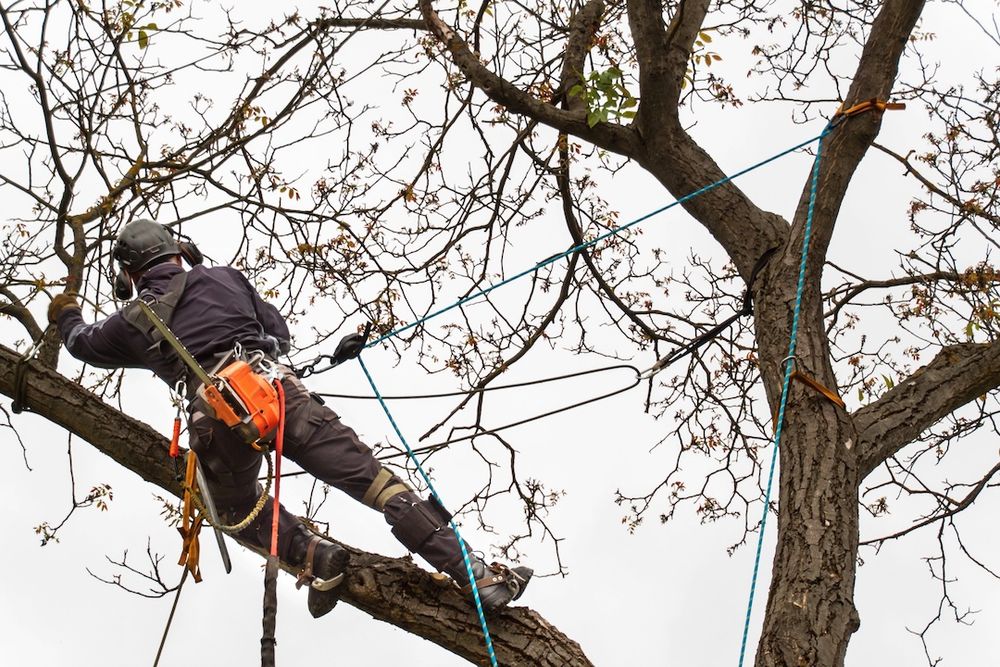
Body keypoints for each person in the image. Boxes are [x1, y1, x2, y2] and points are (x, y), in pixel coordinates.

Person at [47, 219, 531, 617]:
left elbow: (80, 344)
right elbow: (277, 332)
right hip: (281, 392)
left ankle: (313, 554)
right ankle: (477, 575)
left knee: (230, 506)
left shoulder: (133, 320)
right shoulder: (227, 278)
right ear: (180, 252)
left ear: (128, 275)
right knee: (377, 483)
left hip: (217, 418)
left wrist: (65, 311)